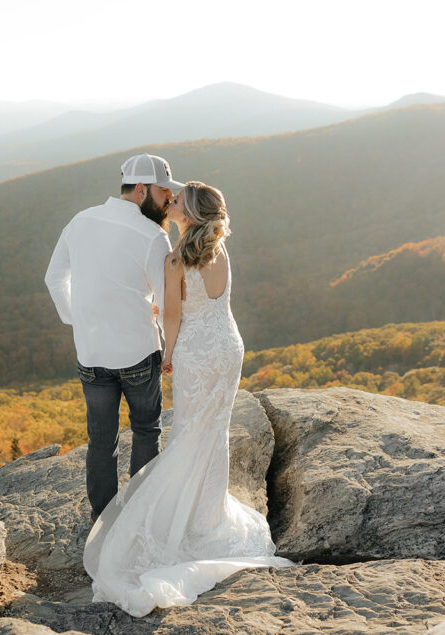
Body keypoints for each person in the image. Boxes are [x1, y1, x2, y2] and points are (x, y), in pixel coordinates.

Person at [83, 181, 293, 617]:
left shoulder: (176, 258)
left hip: (197, 350)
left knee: (186, 434)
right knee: (212, 433)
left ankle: (179, 522)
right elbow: (212, 302)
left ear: (190, 213)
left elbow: (174, 315)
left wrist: (168, 355)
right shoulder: (219, 249)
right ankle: (207, 519)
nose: (171, 202)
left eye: (178, 201)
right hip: (229, 346)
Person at [44, 153, 184, 522]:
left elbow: (54, 279)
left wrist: (79, 318)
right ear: (141, 190)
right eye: (163, 191)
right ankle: (139, 518)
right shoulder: (153, 236)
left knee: (101, 441)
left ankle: (102, 522)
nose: (169, 199)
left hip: (91, 354)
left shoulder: (81, 220)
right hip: (138, 352)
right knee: (145, 430)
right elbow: (165, 299)